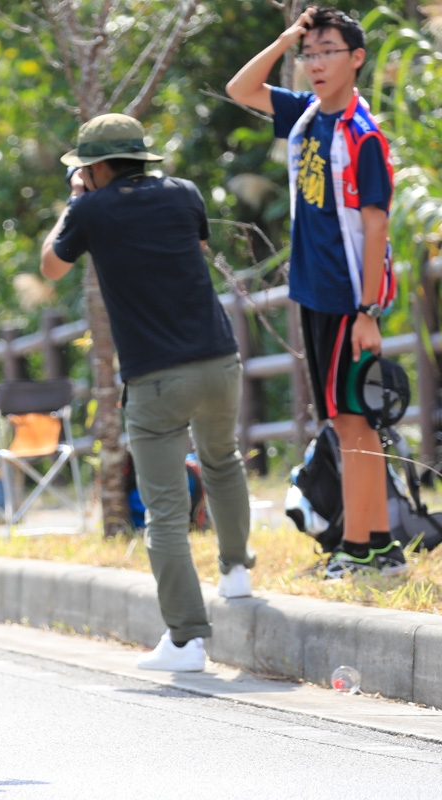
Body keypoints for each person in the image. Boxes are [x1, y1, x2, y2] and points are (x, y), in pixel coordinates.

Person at [40, 113, 255, 672]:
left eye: (86, 168)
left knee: (164, 511)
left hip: (156, 378)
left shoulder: (89, 209)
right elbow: (199, 246)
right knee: (223, 462)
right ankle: (236, 572)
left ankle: (186, 642)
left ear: (99, 167)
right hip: (219, 360)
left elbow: (50, 267)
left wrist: (76, 201)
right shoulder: (184, 194)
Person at [226, 6, 403, 579]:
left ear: (356, 58)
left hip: (349, 300)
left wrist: (369, 311)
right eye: (311, 53)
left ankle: (359, 550)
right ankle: (379, 546)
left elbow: (376, 225)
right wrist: (285, 40)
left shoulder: (362, 134)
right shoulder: (305, 115)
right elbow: (240, 88)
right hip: (315, 292)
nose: (316, 63)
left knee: (353, 421)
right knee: (351, 420)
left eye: (329, 51)